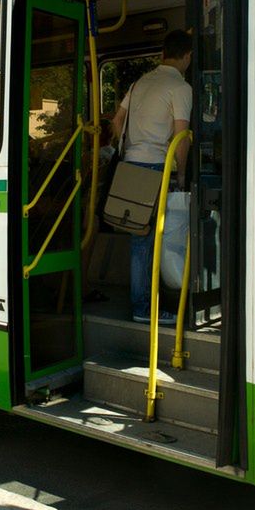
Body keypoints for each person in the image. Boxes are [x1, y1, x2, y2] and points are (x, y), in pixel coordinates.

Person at [111, 29, 192, 325]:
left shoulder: (140, 82)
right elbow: (181, 136)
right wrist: (181, 174)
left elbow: (117, 121)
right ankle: (145, 308)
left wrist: (129, 148)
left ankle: (140, 305)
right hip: (157, 167)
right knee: (157, 241)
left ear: (162, 54)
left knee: (138, 239)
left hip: (130, 166)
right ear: (187, 56)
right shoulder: (180, 87)